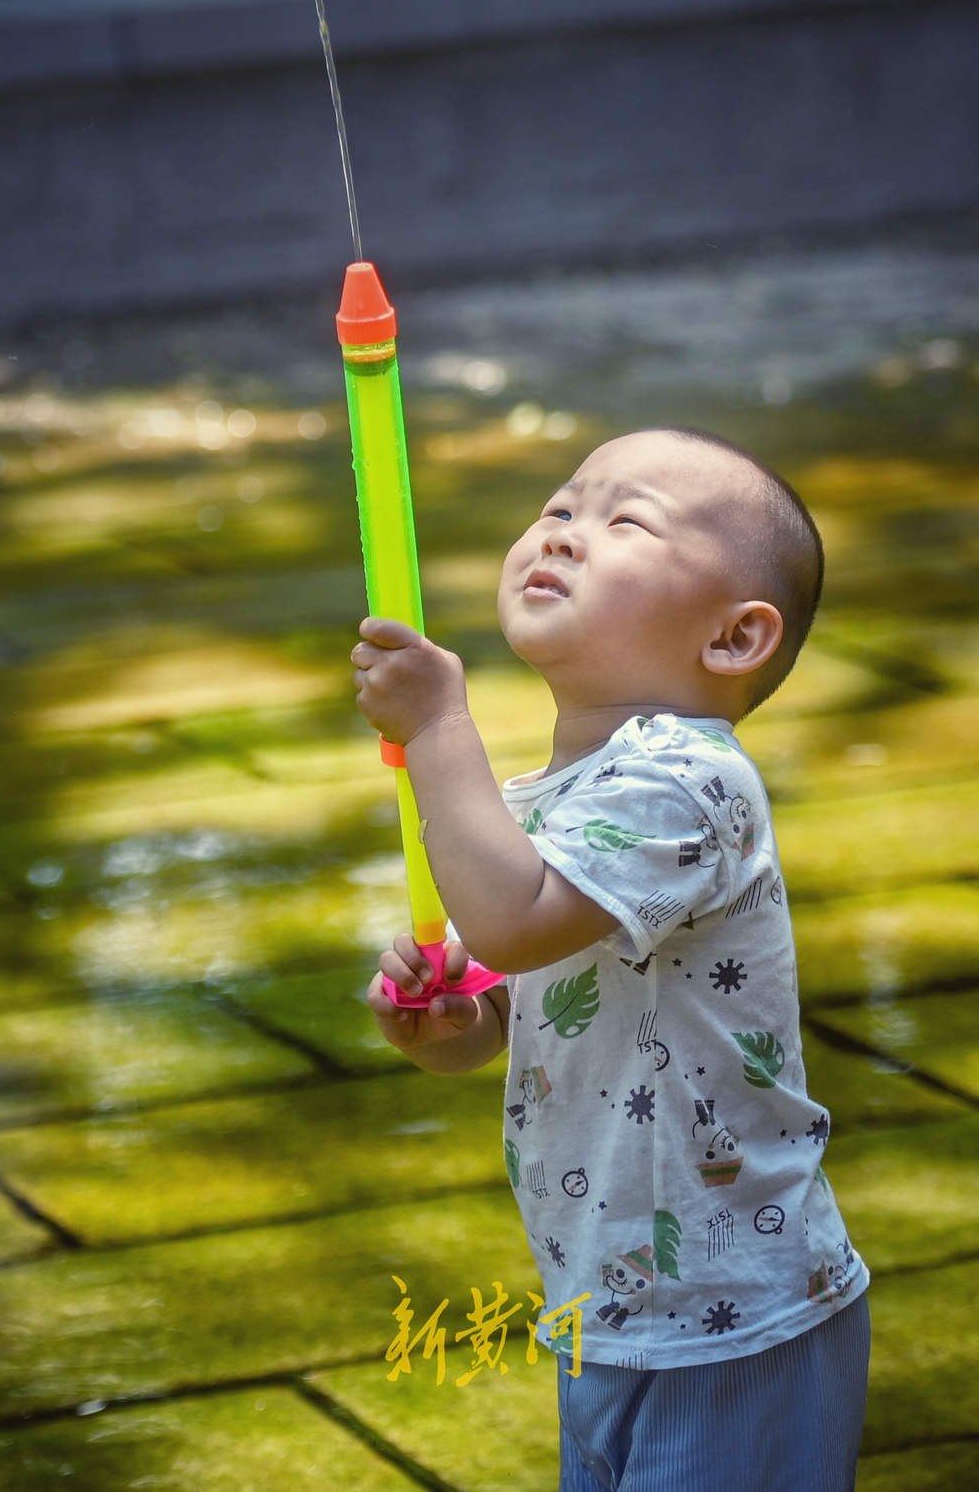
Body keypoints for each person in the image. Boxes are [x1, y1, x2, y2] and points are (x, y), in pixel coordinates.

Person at [351, 427, 870, 1492]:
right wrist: (463, 1027)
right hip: (613, 1301)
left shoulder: (688, 779)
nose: (564, 534)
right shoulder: (561, 801)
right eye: (557, 508)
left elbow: (511, 921)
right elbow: (531, 984)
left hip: (729, 1316)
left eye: (623, 520)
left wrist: (442, 725)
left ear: (732, 638)